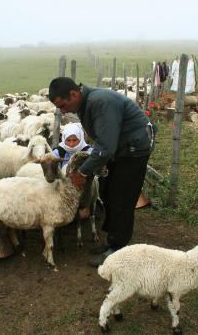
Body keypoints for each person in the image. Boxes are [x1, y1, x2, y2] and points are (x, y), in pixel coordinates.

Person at [48, 77, 155, 267]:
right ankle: (113, 242)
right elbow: (103, 139)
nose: (63, 111)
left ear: (73, 94)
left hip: (134, 149)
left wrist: (82, 172)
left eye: (63, 105)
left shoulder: (100, 102)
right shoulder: (85, 103)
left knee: (122, 197)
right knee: (108, 192)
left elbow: (105, 146)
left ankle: (117, 252)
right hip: (120, 147)